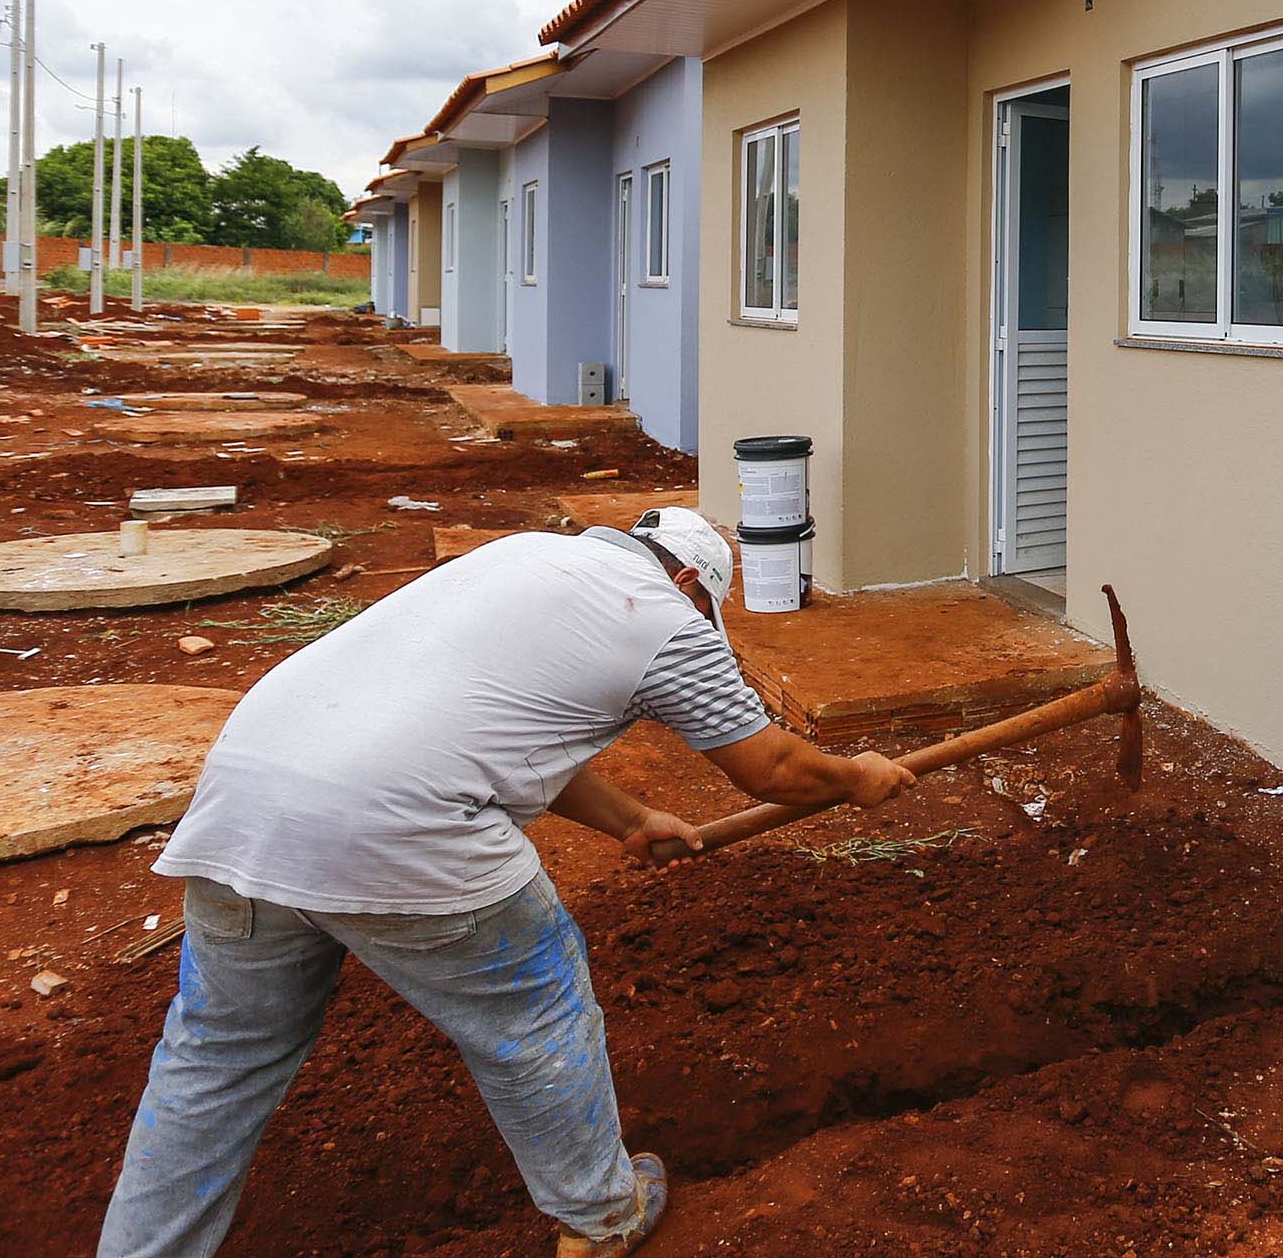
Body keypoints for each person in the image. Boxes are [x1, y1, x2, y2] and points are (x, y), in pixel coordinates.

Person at [98, 511, 914, 1257]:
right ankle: (600, 1217)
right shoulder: (666, 620)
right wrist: (855, 778)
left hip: (241, 805)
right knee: (536, 1013)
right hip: (399, 828)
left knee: (216, 1057)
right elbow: (772, 768)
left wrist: (629, 821)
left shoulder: (522, 559)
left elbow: (494, 727)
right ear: (691, 585)